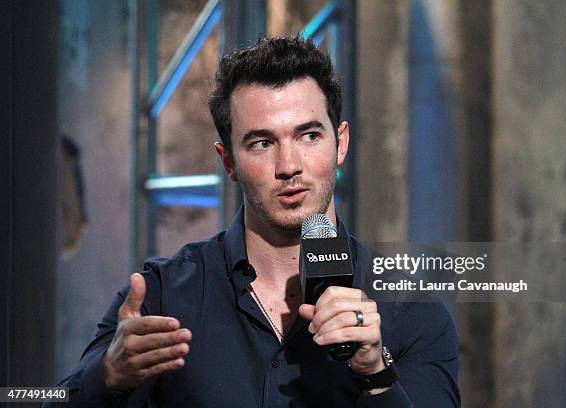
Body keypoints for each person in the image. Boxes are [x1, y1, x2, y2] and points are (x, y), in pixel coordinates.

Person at [50, 36, 460, 407]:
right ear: (228, 161)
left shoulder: (411, 311)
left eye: (309, 136)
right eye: (262, 143)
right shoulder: (164, 299)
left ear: (342, 143)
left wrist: (377, 374)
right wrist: (108, 376)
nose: (289, 166)